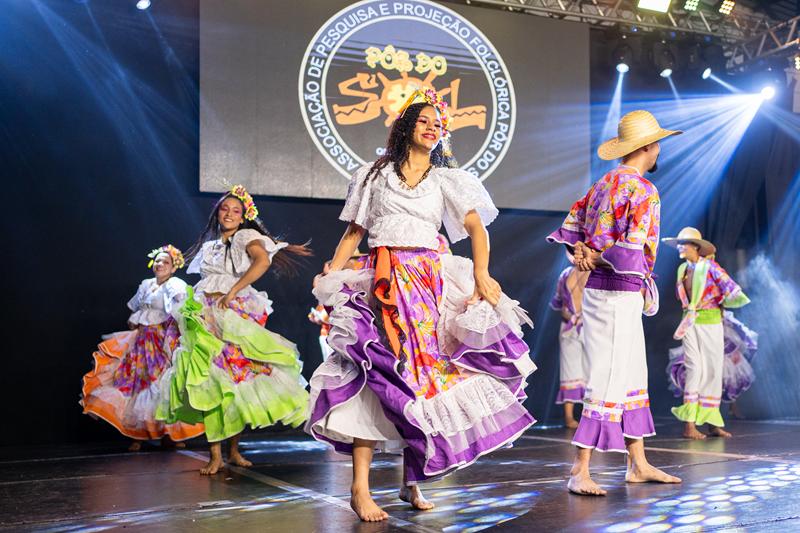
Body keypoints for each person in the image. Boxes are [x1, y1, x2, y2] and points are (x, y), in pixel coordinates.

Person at [305, 87, 536, 521]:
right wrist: (332, 274)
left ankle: (412, 479)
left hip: (428, 285)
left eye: (438, 123)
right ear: (406, 126)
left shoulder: (447, 179)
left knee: (423, 379)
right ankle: (359, 488)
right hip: (383, 282)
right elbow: (354, 233)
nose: (432, 127)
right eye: (424, 120)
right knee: (375, 373)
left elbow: (476, 228)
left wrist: (482, 273)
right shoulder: (373, 175)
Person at [547, 110, 682, 496]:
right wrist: (594, 254)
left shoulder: (602, 183)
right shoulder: (643, 190)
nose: (658, 150)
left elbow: (573, 227)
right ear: (649, 146)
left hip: (605, 291)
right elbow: (632, 247)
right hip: (618, 291)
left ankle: (637, 463)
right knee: (607, 376)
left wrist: (584, 252)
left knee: (631, 374)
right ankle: (580, 468)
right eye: (657, 144)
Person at [156, 185, 311, 475]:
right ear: (217, 213)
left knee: (234, 379)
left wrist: (234, 290)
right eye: (224, 209)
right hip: (203, 314)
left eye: (236, 211)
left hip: (231, 314)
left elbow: (262, 261)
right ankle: (215, 455)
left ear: (243, 217)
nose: (229, 214)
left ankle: (234, 450)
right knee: (209, 379)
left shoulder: (244, 237)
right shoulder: (210, 246)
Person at [81, 245, 204, 450]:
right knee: (138, 381)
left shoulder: (175, 284)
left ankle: (169, 434)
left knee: (162, 384)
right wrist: (135, 321)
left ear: (174, 267)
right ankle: (137, 435)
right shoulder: (146, 284)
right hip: (142, 340)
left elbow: (182, 309)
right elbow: (137, 309)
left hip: (163, 340)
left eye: (166, 262)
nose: (160, 264)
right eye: (158, 260)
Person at [662, 227, 754, 439]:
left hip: (710, 322)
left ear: (695, 247)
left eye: (683, 244)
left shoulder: (710, 267)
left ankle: (712, 423)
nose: (679, 247)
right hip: (689, 323)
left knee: (712, 371)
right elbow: (683, 298)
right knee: (694, 369)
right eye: (678, 244)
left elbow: (731, 289)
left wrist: (721, 301)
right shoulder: (682, 269)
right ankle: (689, 426)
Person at [549, 265, 590, 429]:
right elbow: (561, 304)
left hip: (586, 325)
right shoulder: (566, 274)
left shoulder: (567, 274)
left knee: (591, 370)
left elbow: (560, 303)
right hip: (572, 326)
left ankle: (587, 415)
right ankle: (569, 417)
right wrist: (575, 317)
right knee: (571, 370)